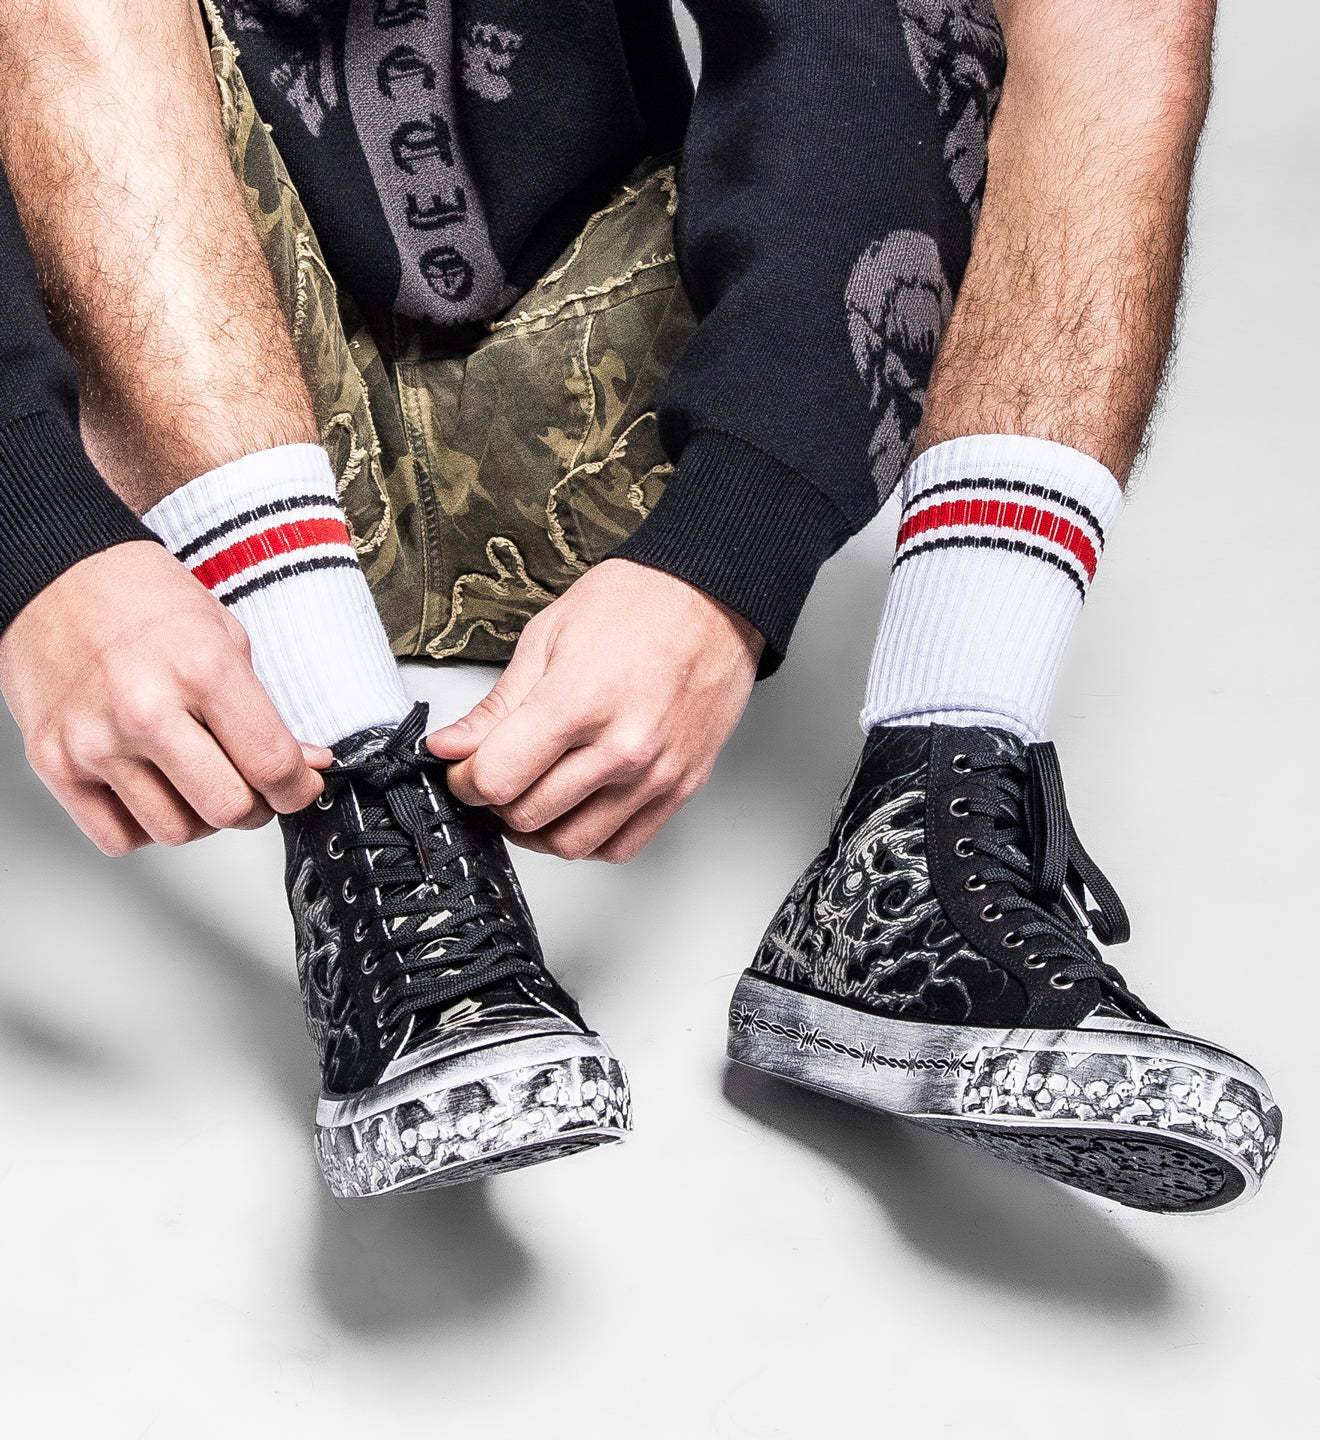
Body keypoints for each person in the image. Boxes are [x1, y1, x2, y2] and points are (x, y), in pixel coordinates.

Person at [0, 0, 1280, 1208]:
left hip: (602, 402)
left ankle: (930, 810)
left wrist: (726, 557)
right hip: (183, 388)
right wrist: (34, 528)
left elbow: (838, 42)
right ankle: (367, 825)